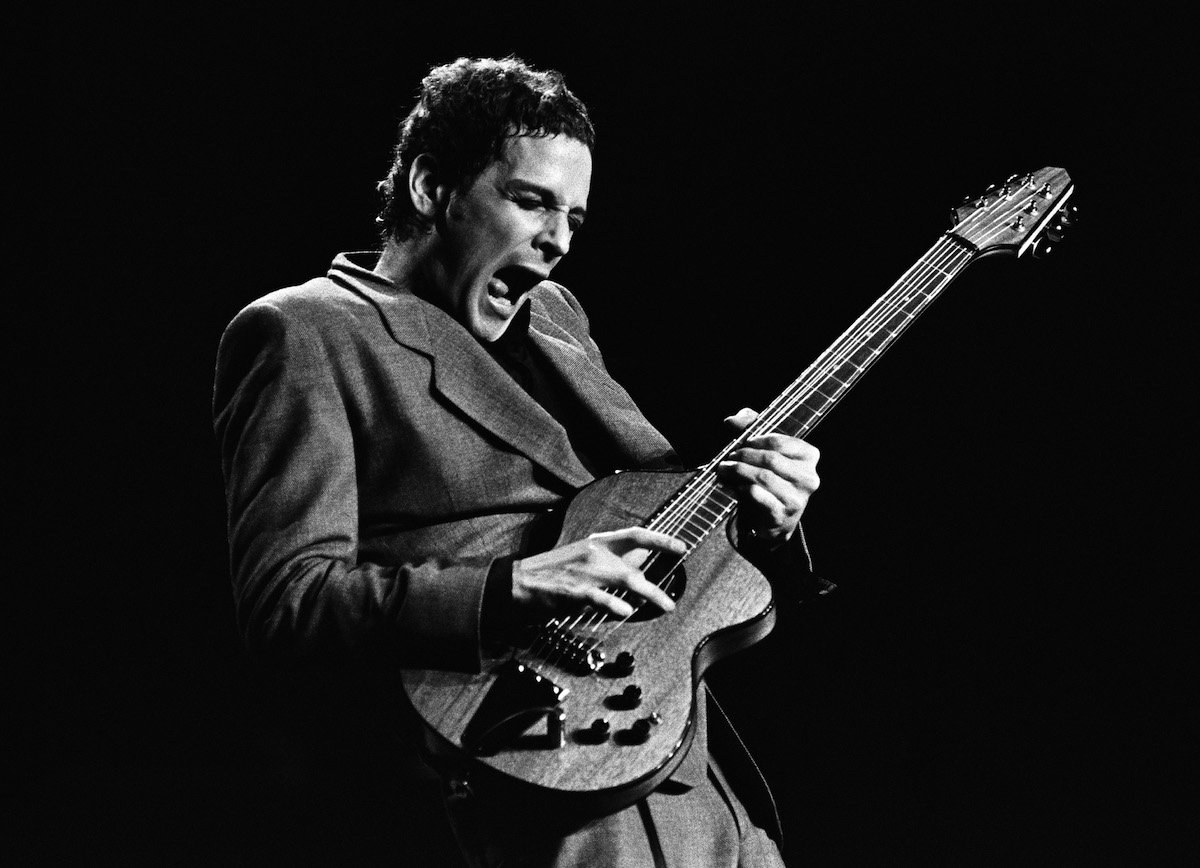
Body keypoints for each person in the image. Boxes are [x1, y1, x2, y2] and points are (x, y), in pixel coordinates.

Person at [213, 56, 823, 867]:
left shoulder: (558, 316)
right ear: (432, 189)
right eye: (532, 202)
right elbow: (287, 606)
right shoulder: (306, 331)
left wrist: (769, 512)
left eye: (575, 215)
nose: (560, 240)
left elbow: (644, 522)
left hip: (690, 778)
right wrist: (514, 588)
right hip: (523, 797)